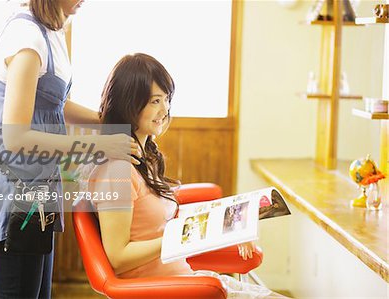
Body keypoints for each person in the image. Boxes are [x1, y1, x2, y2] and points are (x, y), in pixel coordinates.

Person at [0, 1, 141, 298]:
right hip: (14, 191)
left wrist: (109, 121)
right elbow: (16, 137)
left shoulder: (53, 30)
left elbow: (54, 104)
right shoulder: (27, 38)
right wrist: (102, 143)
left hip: (38, 187)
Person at [77, 53, 287, 298]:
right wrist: (181, 238)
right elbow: (118, 257)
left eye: (166, 99)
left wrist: (233, 228)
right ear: (129, 104)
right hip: (172, 290)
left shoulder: (141, 159)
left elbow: (156, 221)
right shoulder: (117, 170)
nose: (165, 109)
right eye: (155, 101)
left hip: (186, 280)